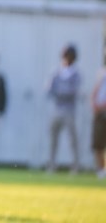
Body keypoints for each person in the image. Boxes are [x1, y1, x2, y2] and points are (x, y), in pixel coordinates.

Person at [47, 44, 81, 173]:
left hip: (69, 110)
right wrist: (61, 91)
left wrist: (60, 91)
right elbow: (49, 89)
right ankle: (51, 164)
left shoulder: (76, 73)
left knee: (72, 139)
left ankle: (75, 166)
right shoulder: (57, 71)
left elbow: (73, 91)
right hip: (56, 109)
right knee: (53, 139)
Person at [92, 67, 106, 179]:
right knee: (98, 143)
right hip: (100, 113)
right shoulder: (102, 72)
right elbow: (96, 90)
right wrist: (93, 103)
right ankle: (101, 171)